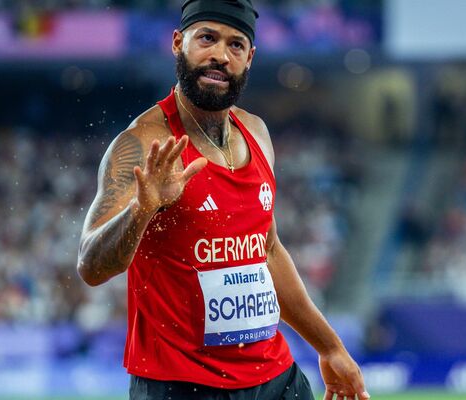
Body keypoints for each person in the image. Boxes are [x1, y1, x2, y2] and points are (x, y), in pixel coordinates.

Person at [76, 1, 369, 399]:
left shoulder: (257, 133)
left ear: (249, 57)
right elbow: (90, 266)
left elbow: (266, 250)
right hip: (181, 385)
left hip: (274, 377)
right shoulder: (142, 143)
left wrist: (330, 347)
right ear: (178, 43)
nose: (219, 55)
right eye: (207, 39)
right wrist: (142, 209)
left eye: (235, 45)